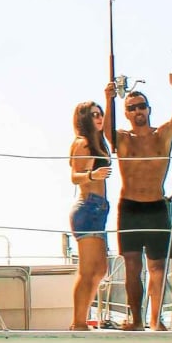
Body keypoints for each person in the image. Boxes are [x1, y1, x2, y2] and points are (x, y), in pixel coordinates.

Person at [106, 74, 172, 330]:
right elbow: (105, 130)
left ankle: (156, 319)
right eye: (131, 108)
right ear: (127, 113)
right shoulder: (122, 138)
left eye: (141, 106)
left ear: (148, 109)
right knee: (132, 266)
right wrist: (108, 99)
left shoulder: (161, 136)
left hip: (155, 207)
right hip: (129, 207)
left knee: (157, 267)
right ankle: (137, 320)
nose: (137, 111)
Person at [68, 100, 113, 330]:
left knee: (100, 269)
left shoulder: (98, 141)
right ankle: (78, 322)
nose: (99, 117)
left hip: (99, 210)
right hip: (88, 207)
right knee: (87, 270)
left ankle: (82, 319)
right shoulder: (83, 143)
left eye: (100, 113)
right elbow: (75, 176)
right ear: (84, 118)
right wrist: (93, 176)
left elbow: (110, 126)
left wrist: (109, 96)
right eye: (93, 114)